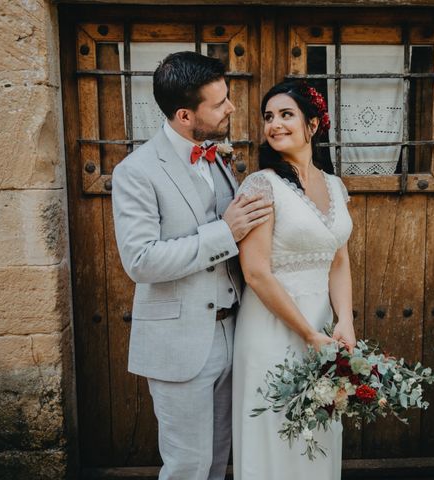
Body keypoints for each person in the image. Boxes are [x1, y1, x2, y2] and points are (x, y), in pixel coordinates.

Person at [111, 51, 272, 480]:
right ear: (185, 115)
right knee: (188, 465)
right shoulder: (136, 172)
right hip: (179, 343)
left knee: (218, 460)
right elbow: (141, 260)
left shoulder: (216, 156)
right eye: (219, 104)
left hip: (233, 329)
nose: (232, 108)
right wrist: (224, 232)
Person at [232, 81, 356, 480]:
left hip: (323, 328)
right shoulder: (261, 184)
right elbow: (255, 272)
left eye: (286, 115)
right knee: (275, 434)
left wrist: (345, 322)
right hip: (273, 327)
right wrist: (306, 334)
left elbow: (339, 260)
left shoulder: (334, 185)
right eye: (269, 117)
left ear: (313, 124)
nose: (274, 124)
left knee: (317, 432)